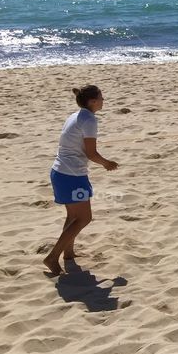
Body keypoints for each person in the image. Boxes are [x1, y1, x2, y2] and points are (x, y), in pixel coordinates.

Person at [43, 86, 118, 276]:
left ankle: (68, 253)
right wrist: (106, 163)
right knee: (84, 218)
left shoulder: (76, 115)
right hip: (72, 176)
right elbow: (91, 153)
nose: (103, 100)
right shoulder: (89, 119)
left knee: (73, 216)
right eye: (101, 97)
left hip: (59, 172)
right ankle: (53, 257)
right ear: (92, 101)